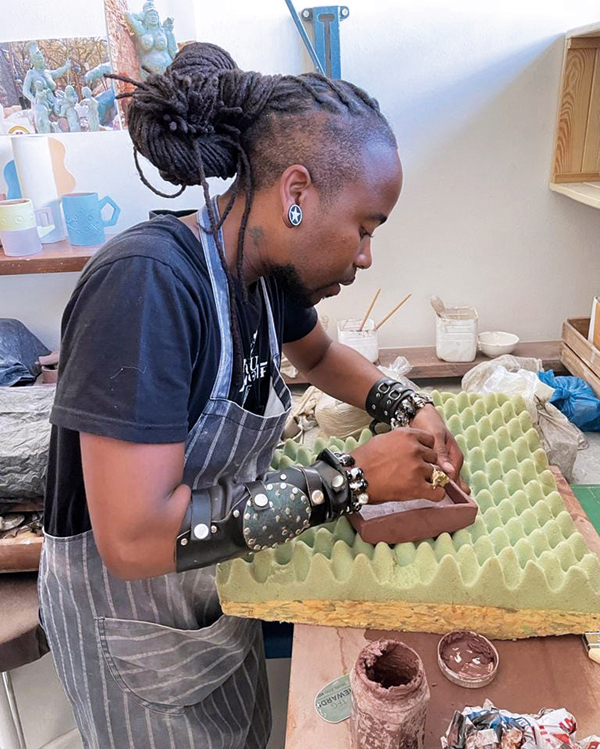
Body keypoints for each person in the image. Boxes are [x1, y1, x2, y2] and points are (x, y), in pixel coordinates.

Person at [39, 42, 465, 748]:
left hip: (211, 601)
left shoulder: (262, 271)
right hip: (133, 630)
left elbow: (324, 355)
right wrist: (350, 479)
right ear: (297, 193)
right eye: (364, 228)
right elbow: (135, 535)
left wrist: (405, 403)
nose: (365, 257)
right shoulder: (148, 287)